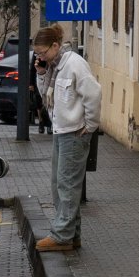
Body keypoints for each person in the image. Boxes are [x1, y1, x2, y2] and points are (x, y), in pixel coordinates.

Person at [32, 24, 101, 252]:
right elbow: (45, 97)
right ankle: (72, 234)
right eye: (38, 54)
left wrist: (90, 126)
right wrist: (41, 74)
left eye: (43, 52)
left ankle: (62, 235)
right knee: (59, 184)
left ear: (55, 45)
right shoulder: (53, 68)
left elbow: (93, 93)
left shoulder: (74, 64)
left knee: (67, 185)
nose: (41, 57)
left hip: (74, 133)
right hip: (61, 131)